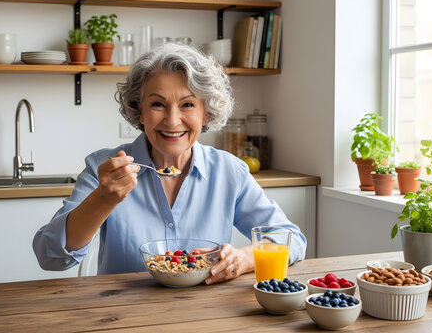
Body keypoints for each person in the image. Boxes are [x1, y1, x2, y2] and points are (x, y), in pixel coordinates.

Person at [33, 43, 306, 284]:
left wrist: (245, 258)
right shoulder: (103, 168)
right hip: (123, 319)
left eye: (187, 105)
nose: (172, 121)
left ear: (206, 112)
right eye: (157, 105)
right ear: (139, 110)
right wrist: (103, 199)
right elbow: (51, 257)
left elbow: (291, 239)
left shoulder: (228, 171)